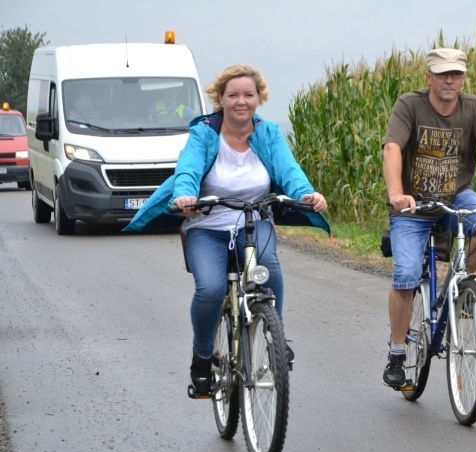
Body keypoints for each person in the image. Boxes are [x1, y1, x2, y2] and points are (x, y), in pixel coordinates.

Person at [124, 64, 329, 396]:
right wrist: (184, 197)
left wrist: (306, 193)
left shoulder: (268, 133)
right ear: (220, 98)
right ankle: (203, 356)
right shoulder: (204, 133)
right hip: (208, 225)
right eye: (233, 95)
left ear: (259, 97)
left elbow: (288, 170)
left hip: (253, 220)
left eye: (248, 94)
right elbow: (187, 169)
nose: (241, 101)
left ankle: (275, 338)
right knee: (211, 289)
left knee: (269, 267)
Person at [380, 48, 476, 387]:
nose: (450, 80)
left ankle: (457, 289)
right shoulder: (409, 105)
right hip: (412, 206)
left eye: (456, 74)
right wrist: (395, 194)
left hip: (455, 194)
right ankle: (397, 353)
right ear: (428, 76)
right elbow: (392, 149)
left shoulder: (473, 107)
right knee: (405, 275)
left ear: (463, 77)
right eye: (443, 73)